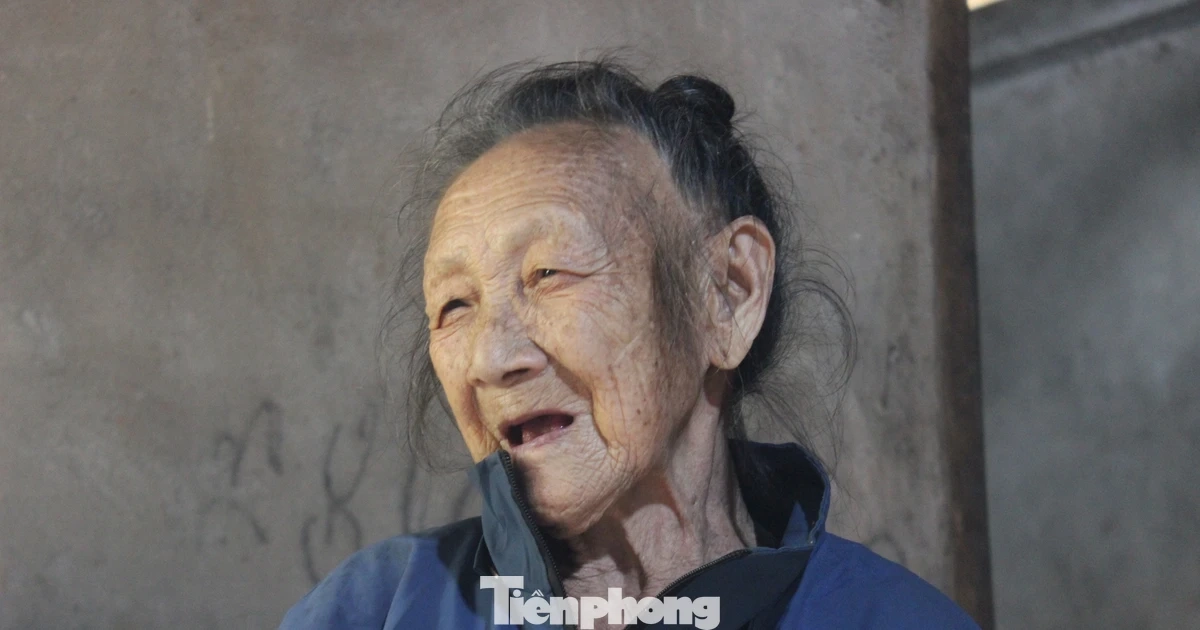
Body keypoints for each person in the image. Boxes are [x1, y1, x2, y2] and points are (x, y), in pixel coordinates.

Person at [279, 60, 980, 629]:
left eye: (549, 274)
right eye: (455, 306)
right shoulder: (375, 609)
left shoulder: (893, 621)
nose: (491, 360)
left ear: (728, 294)